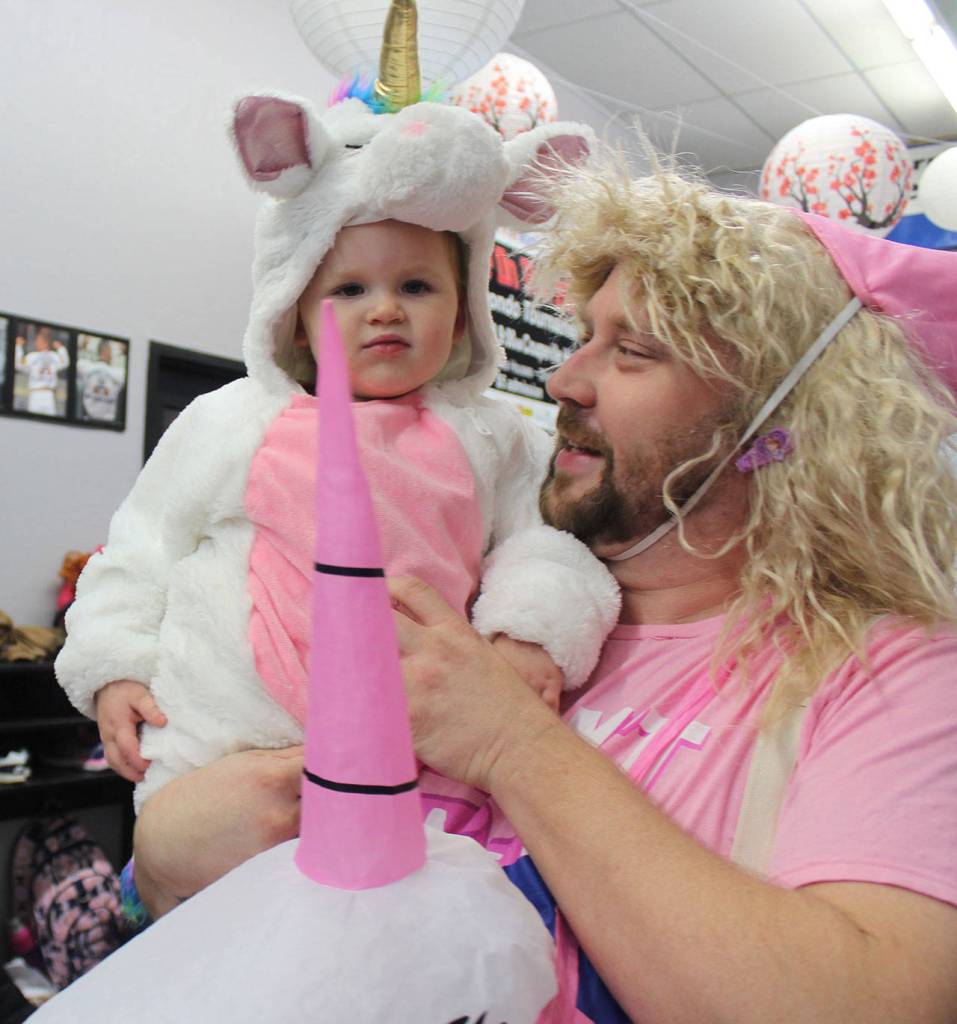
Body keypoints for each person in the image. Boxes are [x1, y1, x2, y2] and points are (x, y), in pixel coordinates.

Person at [132, 153, 957, 1023]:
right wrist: (162, 856)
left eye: (631, 351)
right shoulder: (488, 584)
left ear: (781, 420)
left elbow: (871, 1003)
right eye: (582, 337)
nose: (563, 381)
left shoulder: (894, 675)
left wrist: (513, 744)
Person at [55, 92, 618, 807]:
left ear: (461, 314)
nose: (385, 308)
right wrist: (115, 668)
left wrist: (529, 630)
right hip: (224, 746)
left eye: (416, 285)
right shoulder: (228, 421)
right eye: (349, 289)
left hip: (419, 764)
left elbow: (546, 544)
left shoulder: (495, 436)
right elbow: (141, 553)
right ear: (292, 315)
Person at [14, 326, 69, 416]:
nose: (37, 343)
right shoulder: (51, 356)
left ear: (44, 342)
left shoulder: (40, 356)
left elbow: (18, 364)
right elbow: (18, 364)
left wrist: (18, 347)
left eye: (38, 340)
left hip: (48, 394)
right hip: (37, 393)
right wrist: (61, 349)